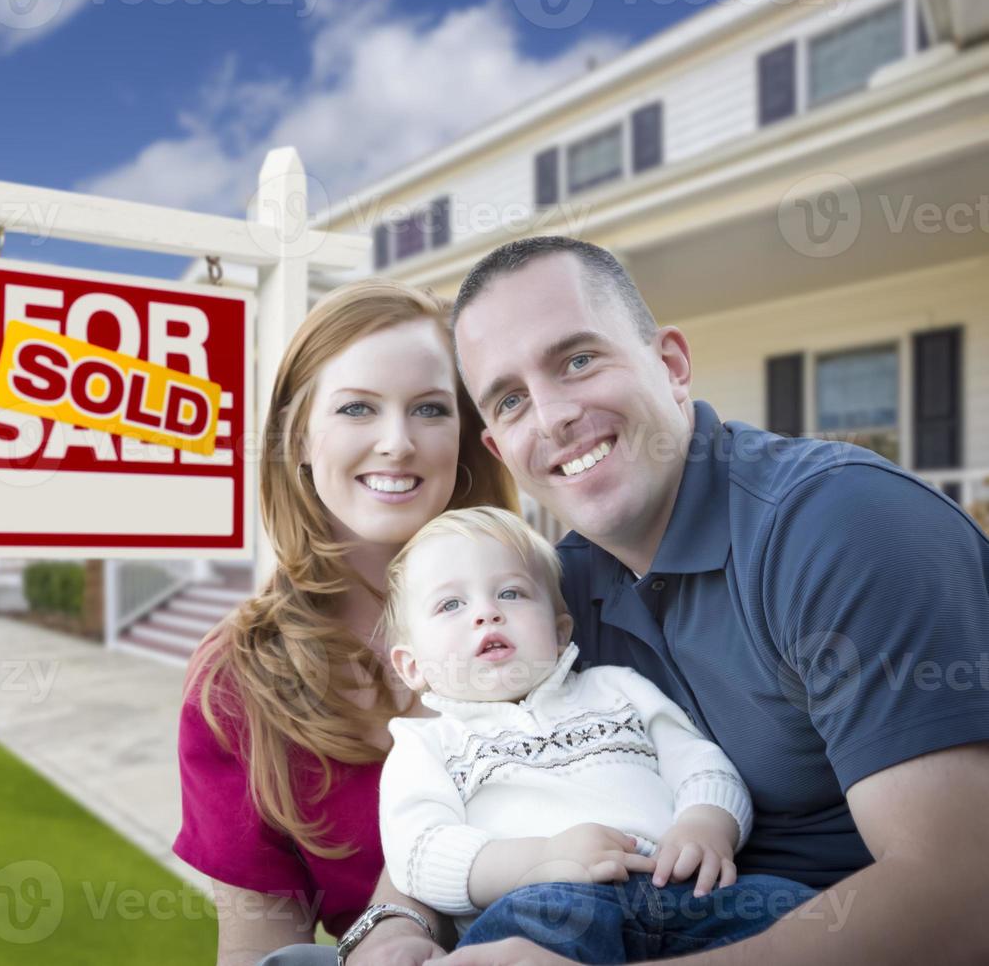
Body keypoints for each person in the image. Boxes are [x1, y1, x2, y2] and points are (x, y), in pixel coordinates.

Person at [423, 236, 989, 964]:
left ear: (670, 365)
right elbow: (451, 759)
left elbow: (961, 899)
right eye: (509, 400)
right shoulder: (554, 597)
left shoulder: (840, 525)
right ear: (500, 447)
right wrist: (395, 923)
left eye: (577, 360)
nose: (552, 415)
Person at [173, 279, 518, 965]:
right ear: (296, 437)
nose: (397, 442)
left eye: (428, 409)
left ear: (465, 437)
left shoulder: (550, 603)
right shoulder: (236, 683)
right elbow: (260, 948)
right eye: (357, 408)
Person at [377, 505, 816, 962]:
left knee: (794, 909)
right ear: (411, 666)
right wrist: (543, 858)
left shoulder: (617, 686)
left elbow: (700, 762)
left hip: (683, 886)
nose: (487, 613)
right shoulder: (425, 744)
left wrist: (706, 824)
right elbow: (421, 852)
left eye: (511, 593)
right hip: (547, 902)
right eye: (451, 604)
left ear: (561, 631)